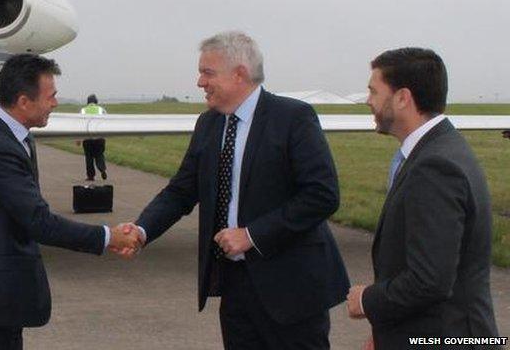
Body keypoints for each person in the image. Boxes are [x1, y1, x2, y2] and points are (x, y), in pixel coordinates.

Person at [119, 31, 349, 349]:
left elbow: (322, 195)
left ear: (239, 73)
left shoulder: (292, 117)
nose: (200, 82)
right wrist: (143, 229)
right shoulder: (209, 124)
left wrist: (251, 235)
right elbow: (181, 191)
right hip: (235, 284)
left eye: (207, 72)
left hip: (292, 288)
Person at [0, 54, 142, 350]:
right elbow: (38, 221)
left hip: (0, 298)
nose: (56, 103)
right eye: (51, 96)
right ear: (24, 102)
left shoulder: (14, 137)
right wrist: (109, 237)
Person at [346, 48, 499, 350]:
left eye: (374, 91)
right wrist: (383, 333)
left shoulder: (435, 167)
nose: (368, 101)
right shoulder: (438, 149)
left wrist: (366, 300)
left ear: (402, 98)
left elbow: (429, 280)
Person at [80, 94, 107, 180]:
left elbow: (79, 124)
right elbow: (106, 122)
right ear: (96, 101)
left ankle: (91, 176)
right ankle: (102, 169)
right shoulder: (101, 110)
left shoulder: (83, 110)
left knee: (89, 157)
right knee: (99, 154)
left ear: (87, 102)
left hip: (87, 138)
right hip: (99, 137)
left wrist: (78, 139)